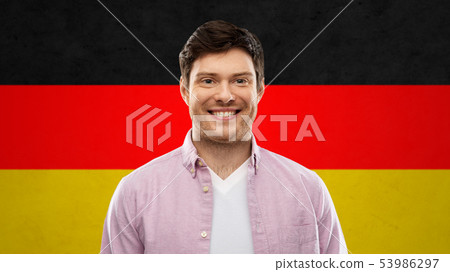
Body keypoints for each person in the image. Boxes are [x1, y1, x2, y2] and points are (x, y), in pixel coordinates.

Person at [100, 20, 347, 254]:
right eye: (208, 81)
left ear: (259, 90)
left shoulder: (308, 189)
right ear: (185, 91)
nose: (225, 95)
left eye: (240, 80)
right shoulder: (135, 192)